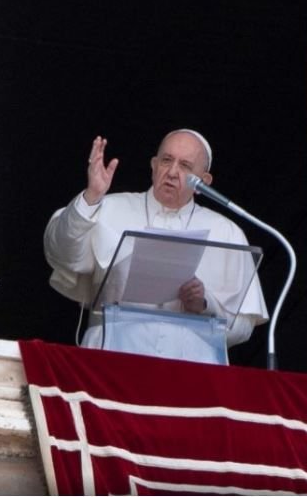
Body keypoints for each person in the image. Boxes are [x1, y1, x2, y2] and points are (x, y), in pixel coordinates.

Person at [44, 129, 268, 362]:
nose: (172, 172)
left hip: (191, 371)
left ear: (203, 181)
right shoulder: (106, 207)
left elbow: (243, 328)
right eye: (166, 160)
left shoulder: (227, 233)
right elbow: (61, 253)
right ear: (153, 165)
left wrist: (204, 304)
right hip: (111, 360)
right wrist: (91, 196)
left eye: (185, 166)